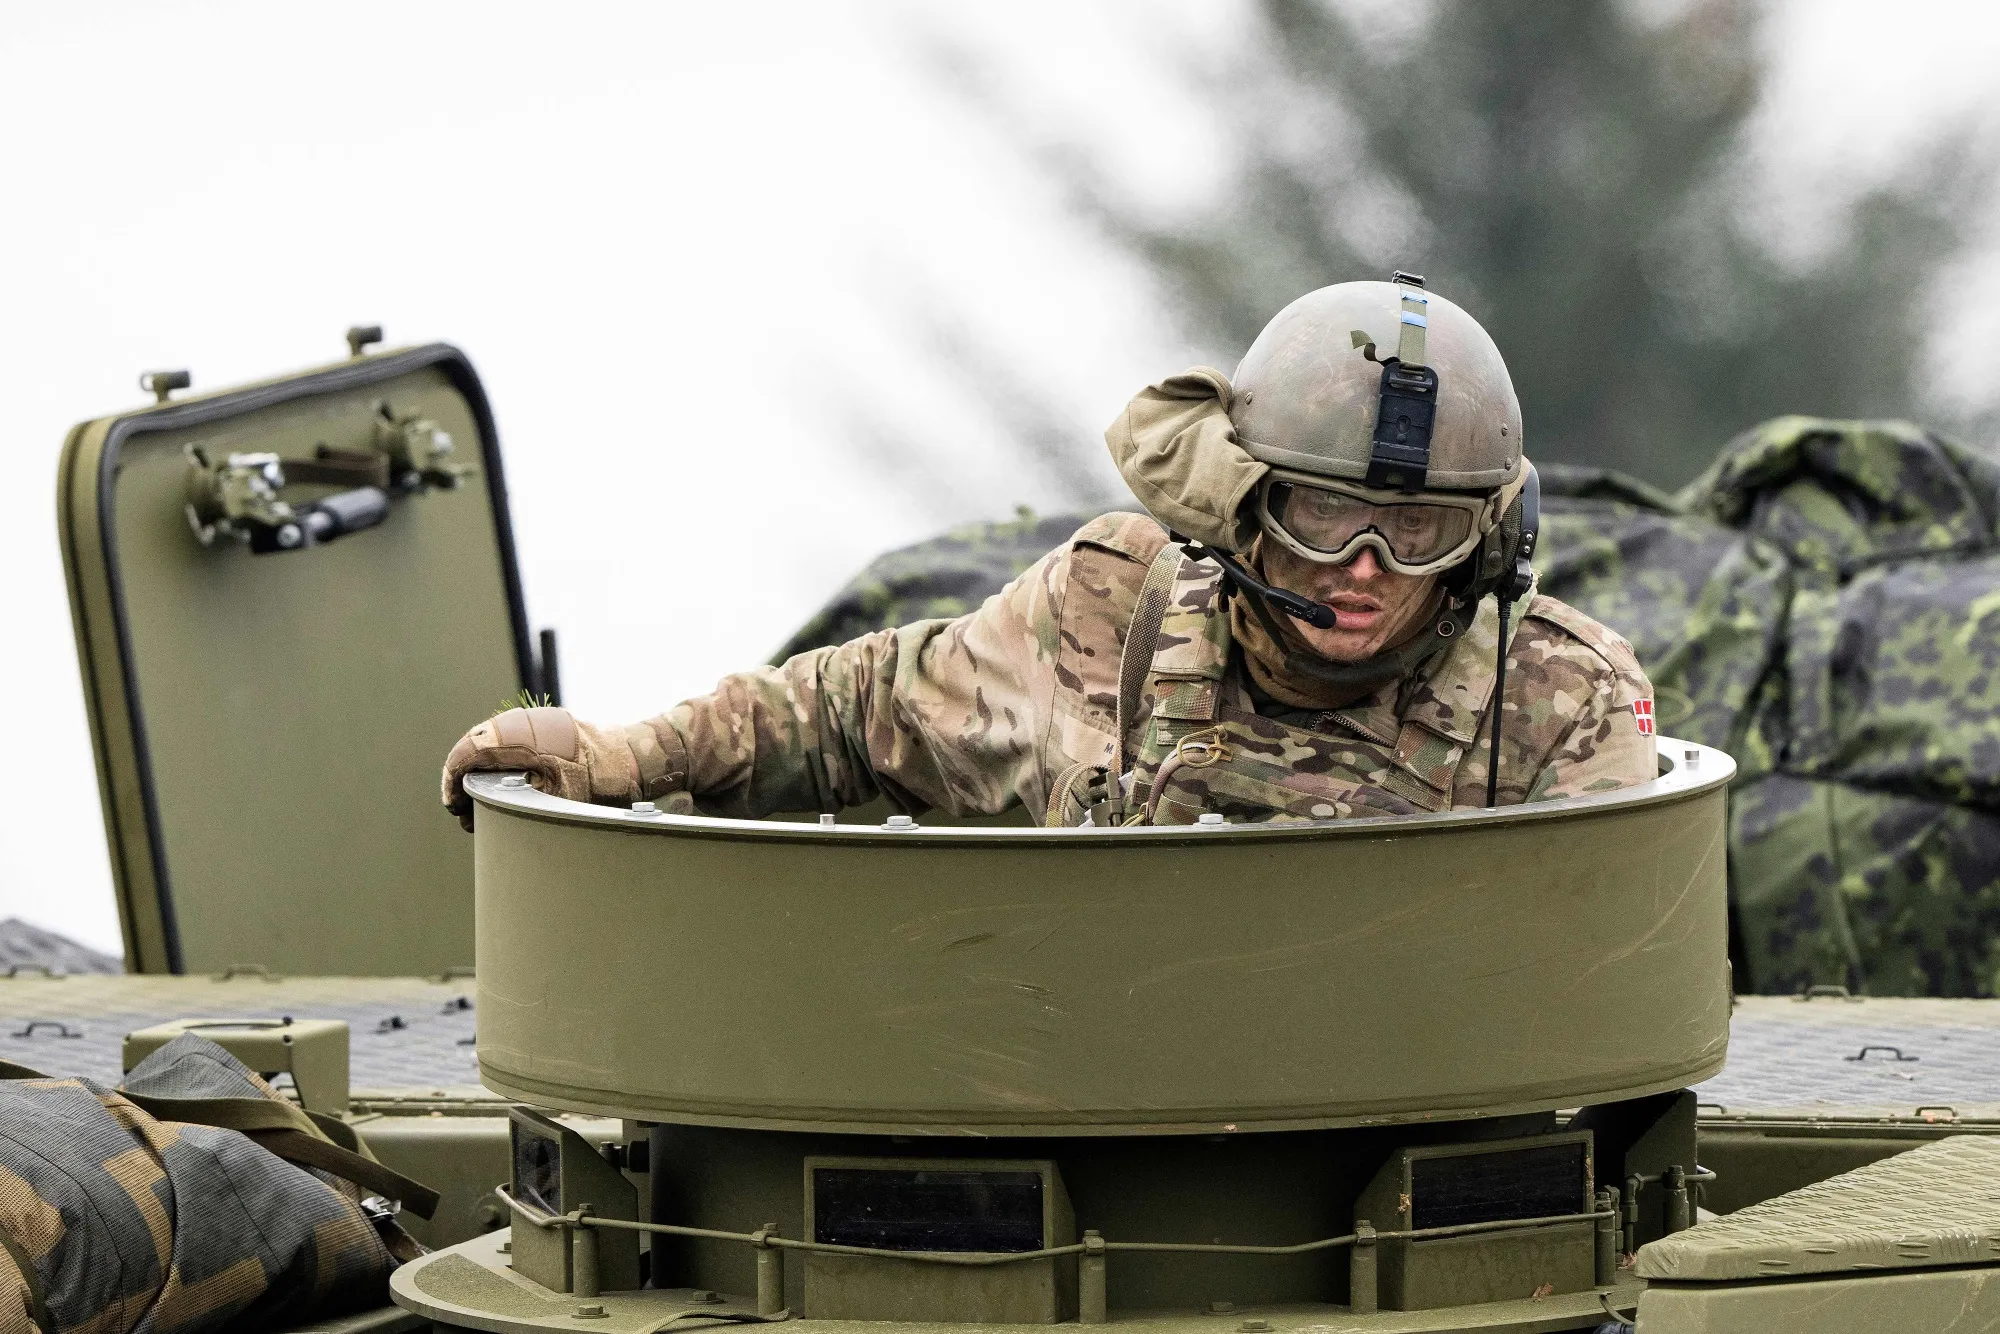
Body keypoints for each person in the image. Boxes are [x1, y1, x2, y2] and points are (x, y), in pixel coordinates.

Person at [442, 275, 1656, 828]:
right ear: (1242, 501)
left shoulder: (1553, 699)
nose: (1367, 570)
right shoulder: (1107, 609)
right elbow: (852, 709)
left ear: (1488, 538)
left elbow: (1606, 991)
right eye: (1326, 518)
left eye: (1421, 533)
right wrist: (619, 752)